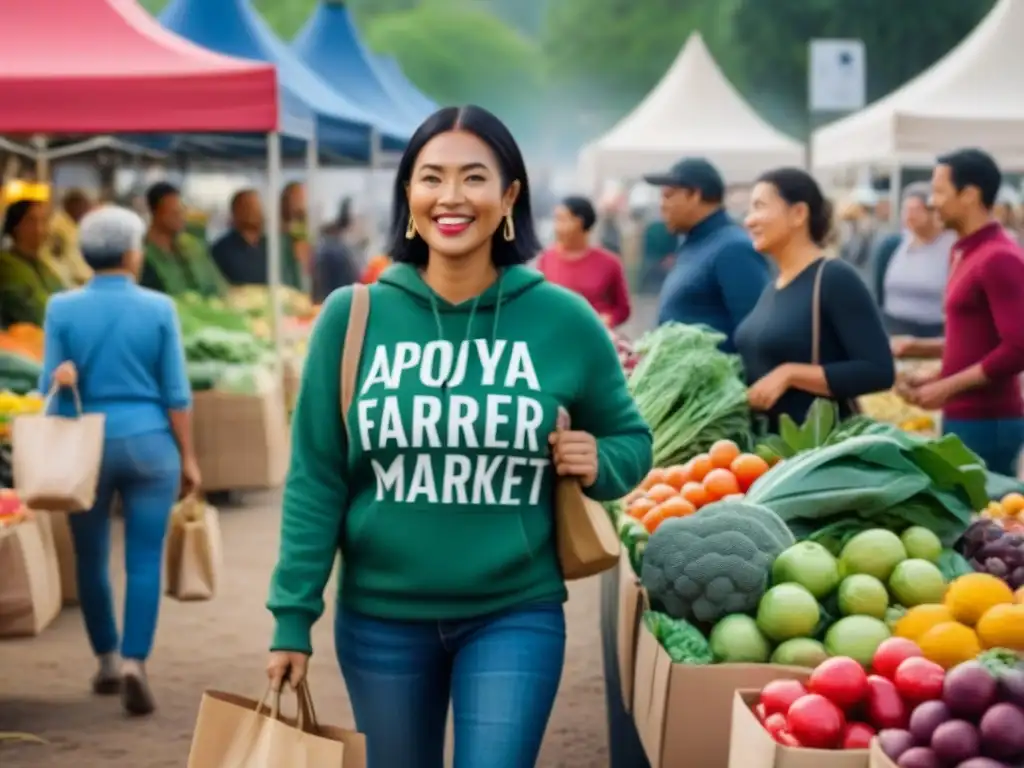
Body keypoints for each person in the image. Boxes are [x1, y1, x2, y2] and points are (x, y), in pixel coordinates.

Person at [265, 104, 653, 768]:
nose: (451, 197)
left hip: (514, 613)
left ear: (508, 196)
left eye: (474, 178)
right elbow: (316, 478)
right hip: (380, 620)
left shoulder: (563, 319)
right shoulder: (351, 317)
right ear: (408, 196)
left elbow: (630, 441)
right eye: (430, 178)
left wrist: (598, 459)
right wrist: (291, 616)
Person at [40, 205, 199, 716]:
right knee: (144, 558)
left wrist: (63, 380)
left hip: (84, 448)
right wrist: (189, 457)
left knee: (91, 559)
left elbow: (51, 388)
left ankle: (107, 660)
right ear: (134, 252)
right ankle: (136, 660)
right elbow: (176, 393)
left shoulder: (61, 308)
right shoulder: (159, 308)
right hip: (151, 442)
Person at [895, 148, 1024, 476]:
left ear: (969, 195)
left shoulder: (998, 257)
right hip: (966, 415)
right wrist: (935, 372)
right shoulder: (965, 252)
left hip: (987, 419)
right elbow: (977, 339)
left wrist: (946, 387)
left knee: (988, 521)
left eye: (939, 192)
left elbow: (1017, 349)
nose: (932, 202)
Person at [735, 168, 894, 428]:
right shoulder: (773, 286)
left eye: (759, 207)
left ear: (798, 213)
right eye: (749, 211)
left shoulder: (834, 278)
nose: (749, 221)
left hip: (815, 453)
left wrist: (791, 374)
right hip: (768, 454)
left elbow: (878, 371)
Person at [647, 158, 770, 351]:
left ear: (695, 195)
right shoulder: (692, 243)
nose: (662, 205)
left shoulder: (733, 249)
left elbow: (757, 334)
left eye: (668, 196)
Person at [872, 183, 955, 338]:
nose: (910, 215)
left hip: (936, 334)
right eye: (906, 210)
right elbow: (878, 293)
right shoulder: (892, 245)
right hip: (894, 329)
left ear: (932, 213)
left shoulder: (952, 247)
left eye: (916, 210)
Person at [536, 196, 631, 328]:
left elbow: (623, 309)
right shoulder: (546, 259)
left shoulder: (610, 263)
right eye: (556, 220)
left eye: (562, 220)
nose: (557, 227)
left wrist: (607, 319)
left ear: (580, 222)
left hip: (594, 336)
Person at [141, 182, 226, 297]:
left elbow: (218, 285)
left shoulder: (193, 247)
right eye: (173, 212)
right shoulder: (142, 253)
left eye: (181, 211)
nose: (180, 216)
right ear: (155, 212)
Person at [0, 199, 67, 326]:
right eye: (31, 221)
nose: (39, 228)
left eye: (44, 221)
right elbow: (39, 314)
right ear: (15, 226)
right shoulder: (7, 266)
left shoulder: (42, 266)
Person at [211, 188, 268, 285]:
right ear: (236, 212)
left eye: (257, 207)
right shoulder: (221, 249)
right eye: (249, 207)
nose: (256, 212)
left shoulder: (271, 247)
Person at [45, 188, 95, 286]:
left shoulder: (75, 226)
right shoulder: (58, 228)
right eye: (84, 207)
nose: (87, 212)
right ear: (72, 206)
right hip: (64, 282)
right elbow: (58, 260)